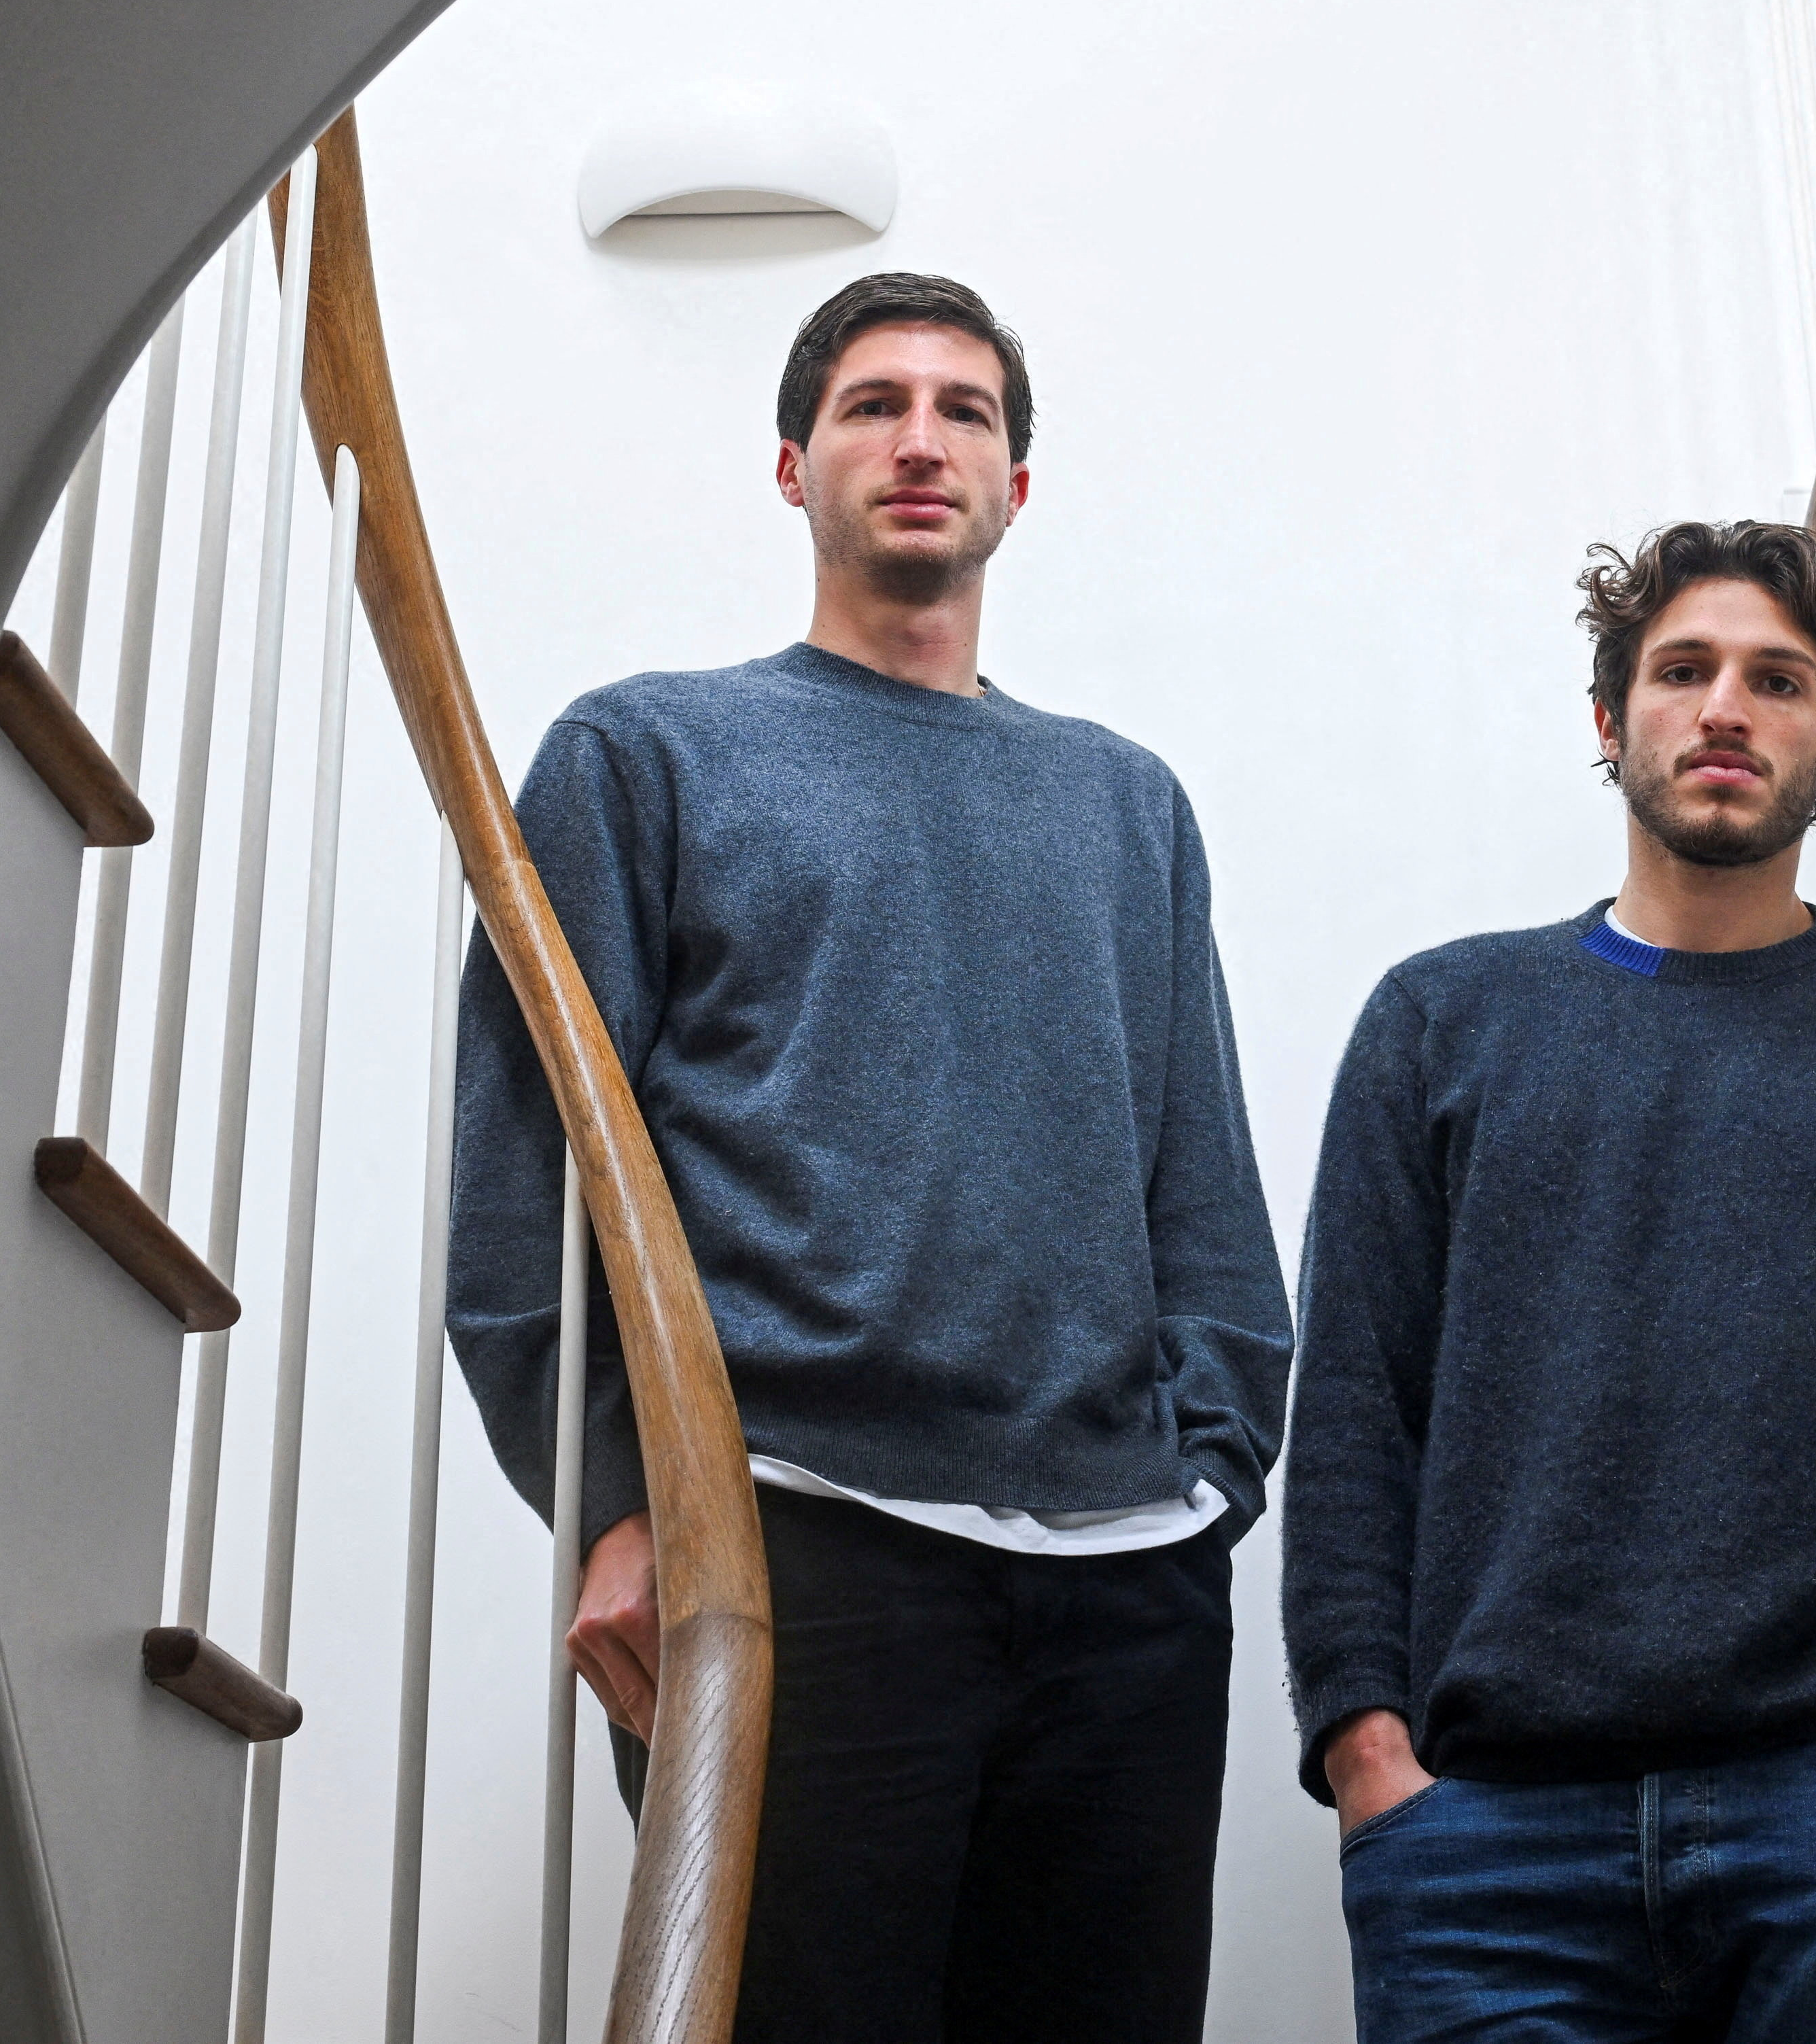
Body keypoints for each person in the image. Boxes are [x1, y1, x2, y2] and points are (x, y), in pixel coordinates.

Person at [445, 272, 1291, 2044]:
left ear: (1015, 486)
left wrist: (1209, 1476)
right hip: (789, 1548)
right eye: (872, 404)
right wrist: (613, 1502)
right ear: (791, 465)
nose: (921, 438)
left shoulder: (1125, 800)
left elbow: (1200, 1177)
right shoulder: (644, 753)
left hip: (1124, 1582)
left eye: (963, 410)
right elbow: (528, 1178)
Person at [1280, 518, 1816, 2044]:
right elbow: (1347, 1420)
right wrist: (1366, 1751)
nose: (1726, 708)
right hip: (1481, 1858)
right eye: (1683, 670)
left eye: (1777, 680)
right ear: (1611, 719)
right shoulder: (1439, 1023)